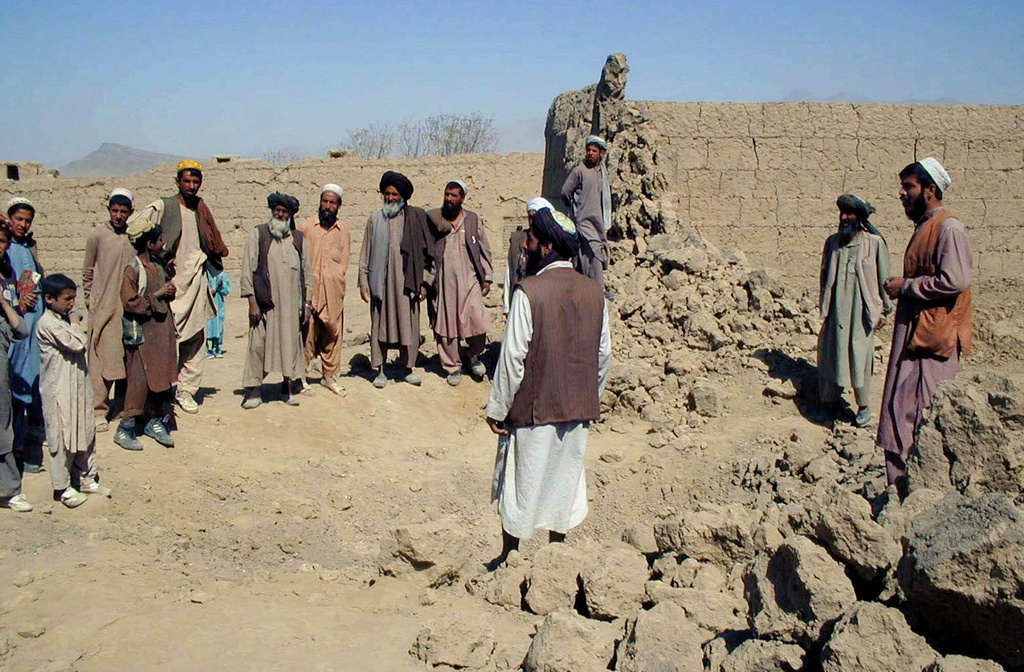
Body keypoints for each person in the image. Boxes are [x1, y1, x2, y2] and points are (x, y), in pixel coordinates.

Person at [484, 208, 612, 568]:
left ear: (547, 245)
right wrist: (589, 395)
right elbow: (604, 356)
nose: (526, 244)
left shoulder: (529, 292)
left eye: (531, 238)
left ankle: (511, 559)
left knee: (520, 482)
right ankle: (557, 560)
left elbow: (512, 358)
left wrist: (497, 409)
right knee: (564, 480)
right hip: (577, 408)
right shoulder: (595, 292)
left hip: (533, 410)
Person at [877, 158, 972, 490]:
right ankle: (898, 491)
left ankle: (920, 494)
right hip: (914, 337)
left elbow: (956, 280)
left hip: (932, 342)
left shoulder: (949, 228)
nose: (902, 194)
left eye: (909, 187)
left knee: (917, 414)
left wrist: (906, 286)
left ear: (931, 190)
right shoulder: (925, 226)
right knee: (897, 410)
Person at [128, 160, 229, 415]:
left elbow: (212, 244)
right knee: (164, 339)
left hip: (195, 280)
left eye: (196, 182)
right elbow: (134, 226)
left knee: (195, 339)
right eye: (187, 181)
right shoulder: (164, 206)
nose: (192, 186)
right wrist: (160, 253)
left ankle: (186, 390)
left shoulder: (201, 210)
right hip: (169, 284)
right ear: (178, 182)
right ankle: (161, 390)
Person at [817, 194, 892, 427]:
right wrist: (825, 305)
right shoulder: (832, 243)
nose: (844, 218)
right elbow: (823, 276)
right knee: (832, 355)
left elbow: (884, 279)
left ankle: (863, 406)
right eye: (842, 213)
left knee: (859, 357)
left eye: (849, 213)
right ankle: (830, 402)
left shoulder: (874, 243)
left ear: (860, 217)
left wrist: (885, 311)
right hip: (836, 312)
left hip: (862, 313)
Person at [37, 274, 111, 508]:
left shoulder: (65, 321)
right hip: (59, 391)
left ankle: (86, 477)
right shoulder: (47, 324)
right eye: (67, 299)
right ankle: (62, 487)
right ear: (49, 299)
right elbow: (77, 343)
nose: (71, 303)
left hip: (78, 386)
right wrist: (76, 322)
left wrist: (73, 322)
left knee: (85, 431)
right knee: (62, 436)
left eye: (73, 298)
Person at [357, 171, 433, 388]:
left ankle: (406, 368)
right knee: (379, 325)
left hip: (408, 284)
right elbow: (365, 253)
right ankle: (379, 369)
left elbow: (429, 256)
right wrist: (364, 282)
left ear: (403, 197)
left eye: (394, 194)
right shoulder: (375, 219)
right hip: (380, 283)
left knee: (408, 325)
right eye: (387, 194)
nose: (390, 198)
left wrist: (426, 283)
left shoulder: (416, 218)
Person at [239, 193, 312, 409]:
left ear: (290, 215)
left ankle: (288, 388)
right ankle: (253, 391)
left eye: (284, 211)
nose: (279, 214)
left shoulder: (298, 239)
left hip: (291, 306)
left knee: (290, 345)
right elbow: (247, 270)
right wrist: (252, 301)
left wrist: (307, 304)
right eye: (277, 210)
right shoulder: (258, 234)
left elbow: (308, 274)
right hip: (265, 304)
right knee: (258, 345)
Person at [115, 220, 178, 451]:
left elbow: (165, 292)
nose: (163, 244)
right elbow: (131, 303)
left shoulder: (158, 266)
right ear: (149, 243)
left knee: (161, 377)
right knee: (139, 381)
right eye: (159, 240)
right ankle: (126, 427)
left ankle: (155, 421)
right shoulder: (132, 269)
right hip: (142, 335)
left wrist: (168, 292)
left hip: (161, 333)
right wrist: (159, 294)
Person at [426, 180, 493, 386]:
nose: (449, 198)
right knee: (446, 325)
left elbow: (484, 248)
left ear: (462, 198)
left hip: (470, 279)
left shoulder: (472, 219)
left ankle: (473, 356)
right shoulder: (436, 219)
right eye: (447, 194)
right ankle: (452, 366)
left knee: (478, 321)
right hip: (444, 281)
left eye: (454, 195)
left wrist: (487, 276)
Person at [83, 188, 137, 432]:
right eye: (115, 211)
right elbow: (88, 270)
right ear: (109, 211)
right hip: (104, 307)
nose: (118, 216)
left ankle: (123, 406)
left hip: (128, 307)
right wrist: (90, 300)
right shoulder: (97, 236)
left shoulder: (133, 236)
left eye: (123, 212)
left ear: (130, 213)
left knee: (126, 358)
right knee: (101, 359)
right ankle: (99, 410)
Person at [298, 184, 350, 395]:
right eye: (325, 201)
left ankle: (329, 376)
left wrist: (336, 279)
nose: (328, 206)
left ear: (339, 205)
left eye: (332, 202)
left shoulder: (343, 230)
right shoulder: (307, 227)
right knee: (307, 333)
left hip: (333, 291)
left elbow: (344, 261)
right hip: (311, 292)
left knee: (333, 334)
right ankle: (299, 376)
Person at [6, 197, 45, 473]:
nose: (23, 224)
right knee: (13, 385)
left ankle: (27, 443)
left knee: (32, 381)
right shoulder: (5, 248)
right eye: (18, 219)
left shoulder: (27, 247)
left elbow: (29, 281)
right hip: (14, 322)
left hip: (31, 322)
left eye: (27, 220)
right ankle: (14, 449)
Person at [0, 218, 32, 512]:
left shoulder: (7, 275)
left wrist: (10, 304)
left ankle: (9, 489)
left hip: (3, 352)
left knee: (4, 419)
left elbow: (19, 328)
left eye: (2, 241)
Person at [561, 135, 612, 288]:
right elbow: (565, 192)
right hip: (583, 221)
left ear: (601, 153)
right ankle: (597, 289)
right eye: (588, 150)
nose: (590, 153)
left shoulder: (601, 172)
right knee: (593, 254)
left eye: (594, 151)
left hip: (597, 222)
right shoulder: (579, 171)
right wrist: (574, 209)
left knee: (582, 256)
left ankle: (581, 286)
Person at [206, 269, 231, 358]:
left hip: (218, 303)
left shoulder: (222, 275)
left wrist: (220, 286)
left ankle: (217, 347)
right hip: (206, 304)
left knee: (218, 326)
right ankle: (207, 348)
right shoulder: (204, 273)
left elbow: (226, 291)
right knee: (207, 325)